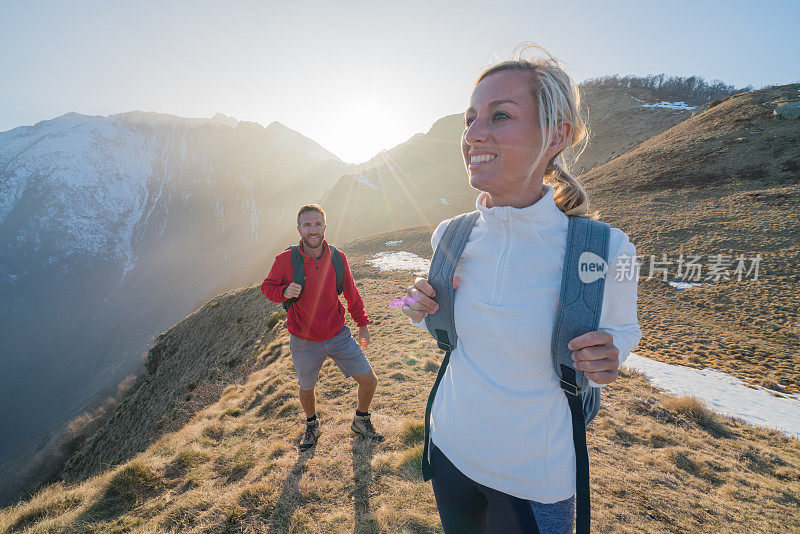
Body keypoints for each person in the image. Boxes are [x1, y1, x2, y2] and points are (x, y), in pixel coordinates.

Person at [401, 45, 642, 534]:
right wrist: (415, 304)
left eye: (500, 115)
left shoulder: (610, 250)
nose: (473, 134)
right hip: (449, 448)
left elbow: (623, 330)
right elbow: (426, 311)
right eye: (470, 119)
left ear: (557, 135)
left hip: (536, 476)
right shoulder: (450, 234)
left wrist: (612, 353)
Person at [262, 204, 384, 450]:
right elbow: (267, 288)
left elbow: (351, 292)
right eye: (307, 225)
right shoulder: (285, 260)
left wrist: (362, 324)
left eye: (317, 224)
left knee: (369, 380)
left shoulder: (337, 258)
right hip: (304, 340)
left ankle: (361, 420)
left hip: (338, 335)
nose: (313, 230)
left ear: (324, 227)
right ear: (299, 229)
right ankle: (311, 425)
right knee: (307, 387)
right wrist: (283, 292)